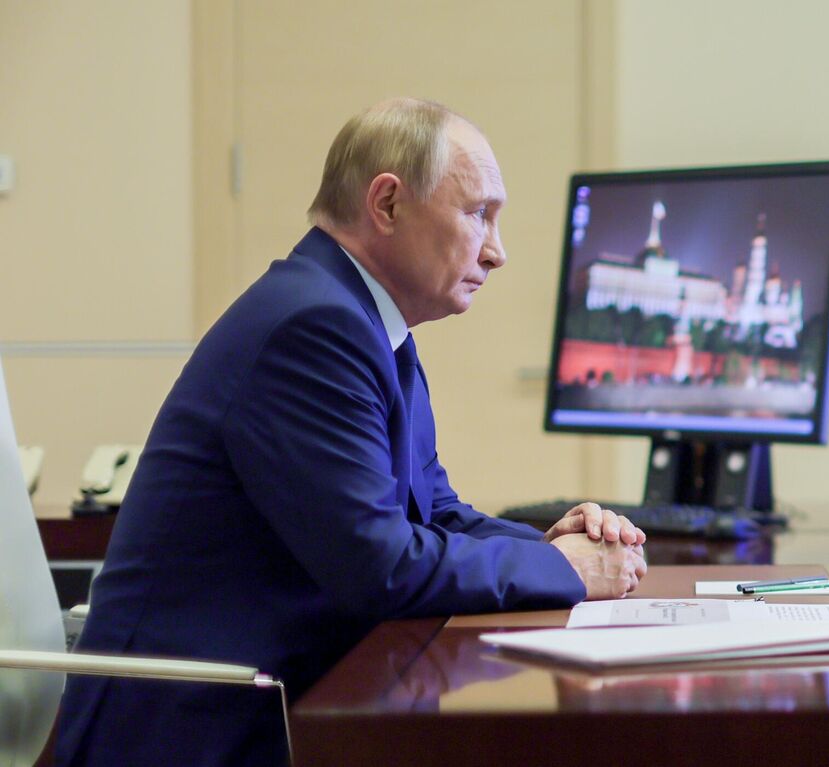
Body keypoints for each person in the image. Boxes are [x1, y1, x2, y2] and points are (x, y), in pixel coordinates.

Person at [55, 98, 646, 766]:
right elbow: (382, 565)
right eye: (479, 212)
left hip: (273, 698)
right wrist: (560, 568)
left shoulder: (367, 325)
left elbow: (435, 513)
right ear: (388, 204)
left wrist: (554, 543)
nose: (497, 251)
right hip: (191, 729)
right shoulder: (313, 328)